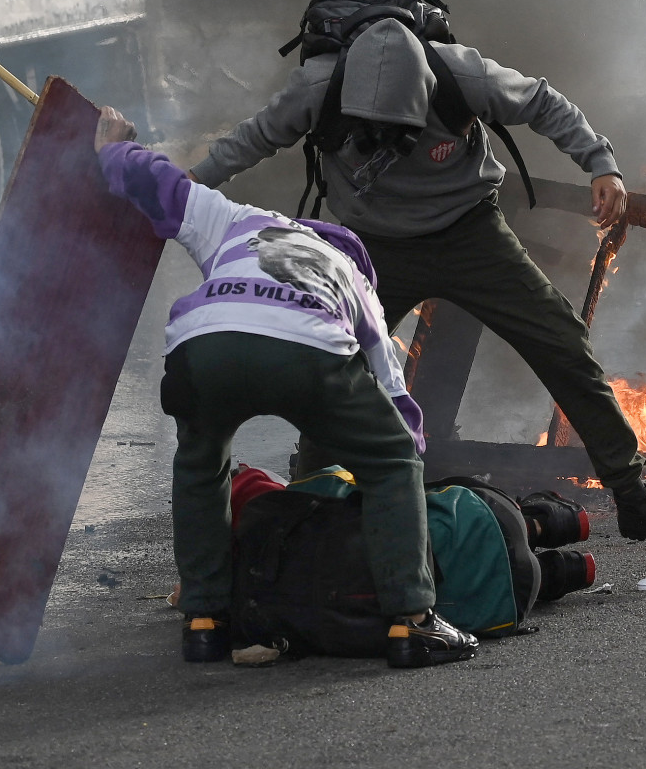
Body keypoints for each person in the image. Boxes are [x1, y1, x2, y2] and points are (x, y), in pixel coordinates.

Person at [187, 16, 646, 554]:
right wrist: (184, 188)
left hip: (469, 233)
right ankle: (309, 507)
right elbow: (251, 139)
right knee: (336, 367)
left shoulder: (462, 75)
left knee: (561, 340)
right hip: (372, 247)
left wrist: (601, 165)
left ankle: (632, 494)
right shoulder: (319, 88)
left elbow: (543, 103)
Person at [93, 106, 476, 668]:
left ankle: (204, 621)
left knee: (201, 464)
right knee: (392, 460)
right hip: (306, 347)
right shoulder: (353, 277)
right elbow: (394, 392)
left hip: (205, 343)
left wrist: (113, 149)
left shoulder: (235, 219)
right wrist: (409, 459)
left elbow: (161, 183)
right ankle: (412, 622)